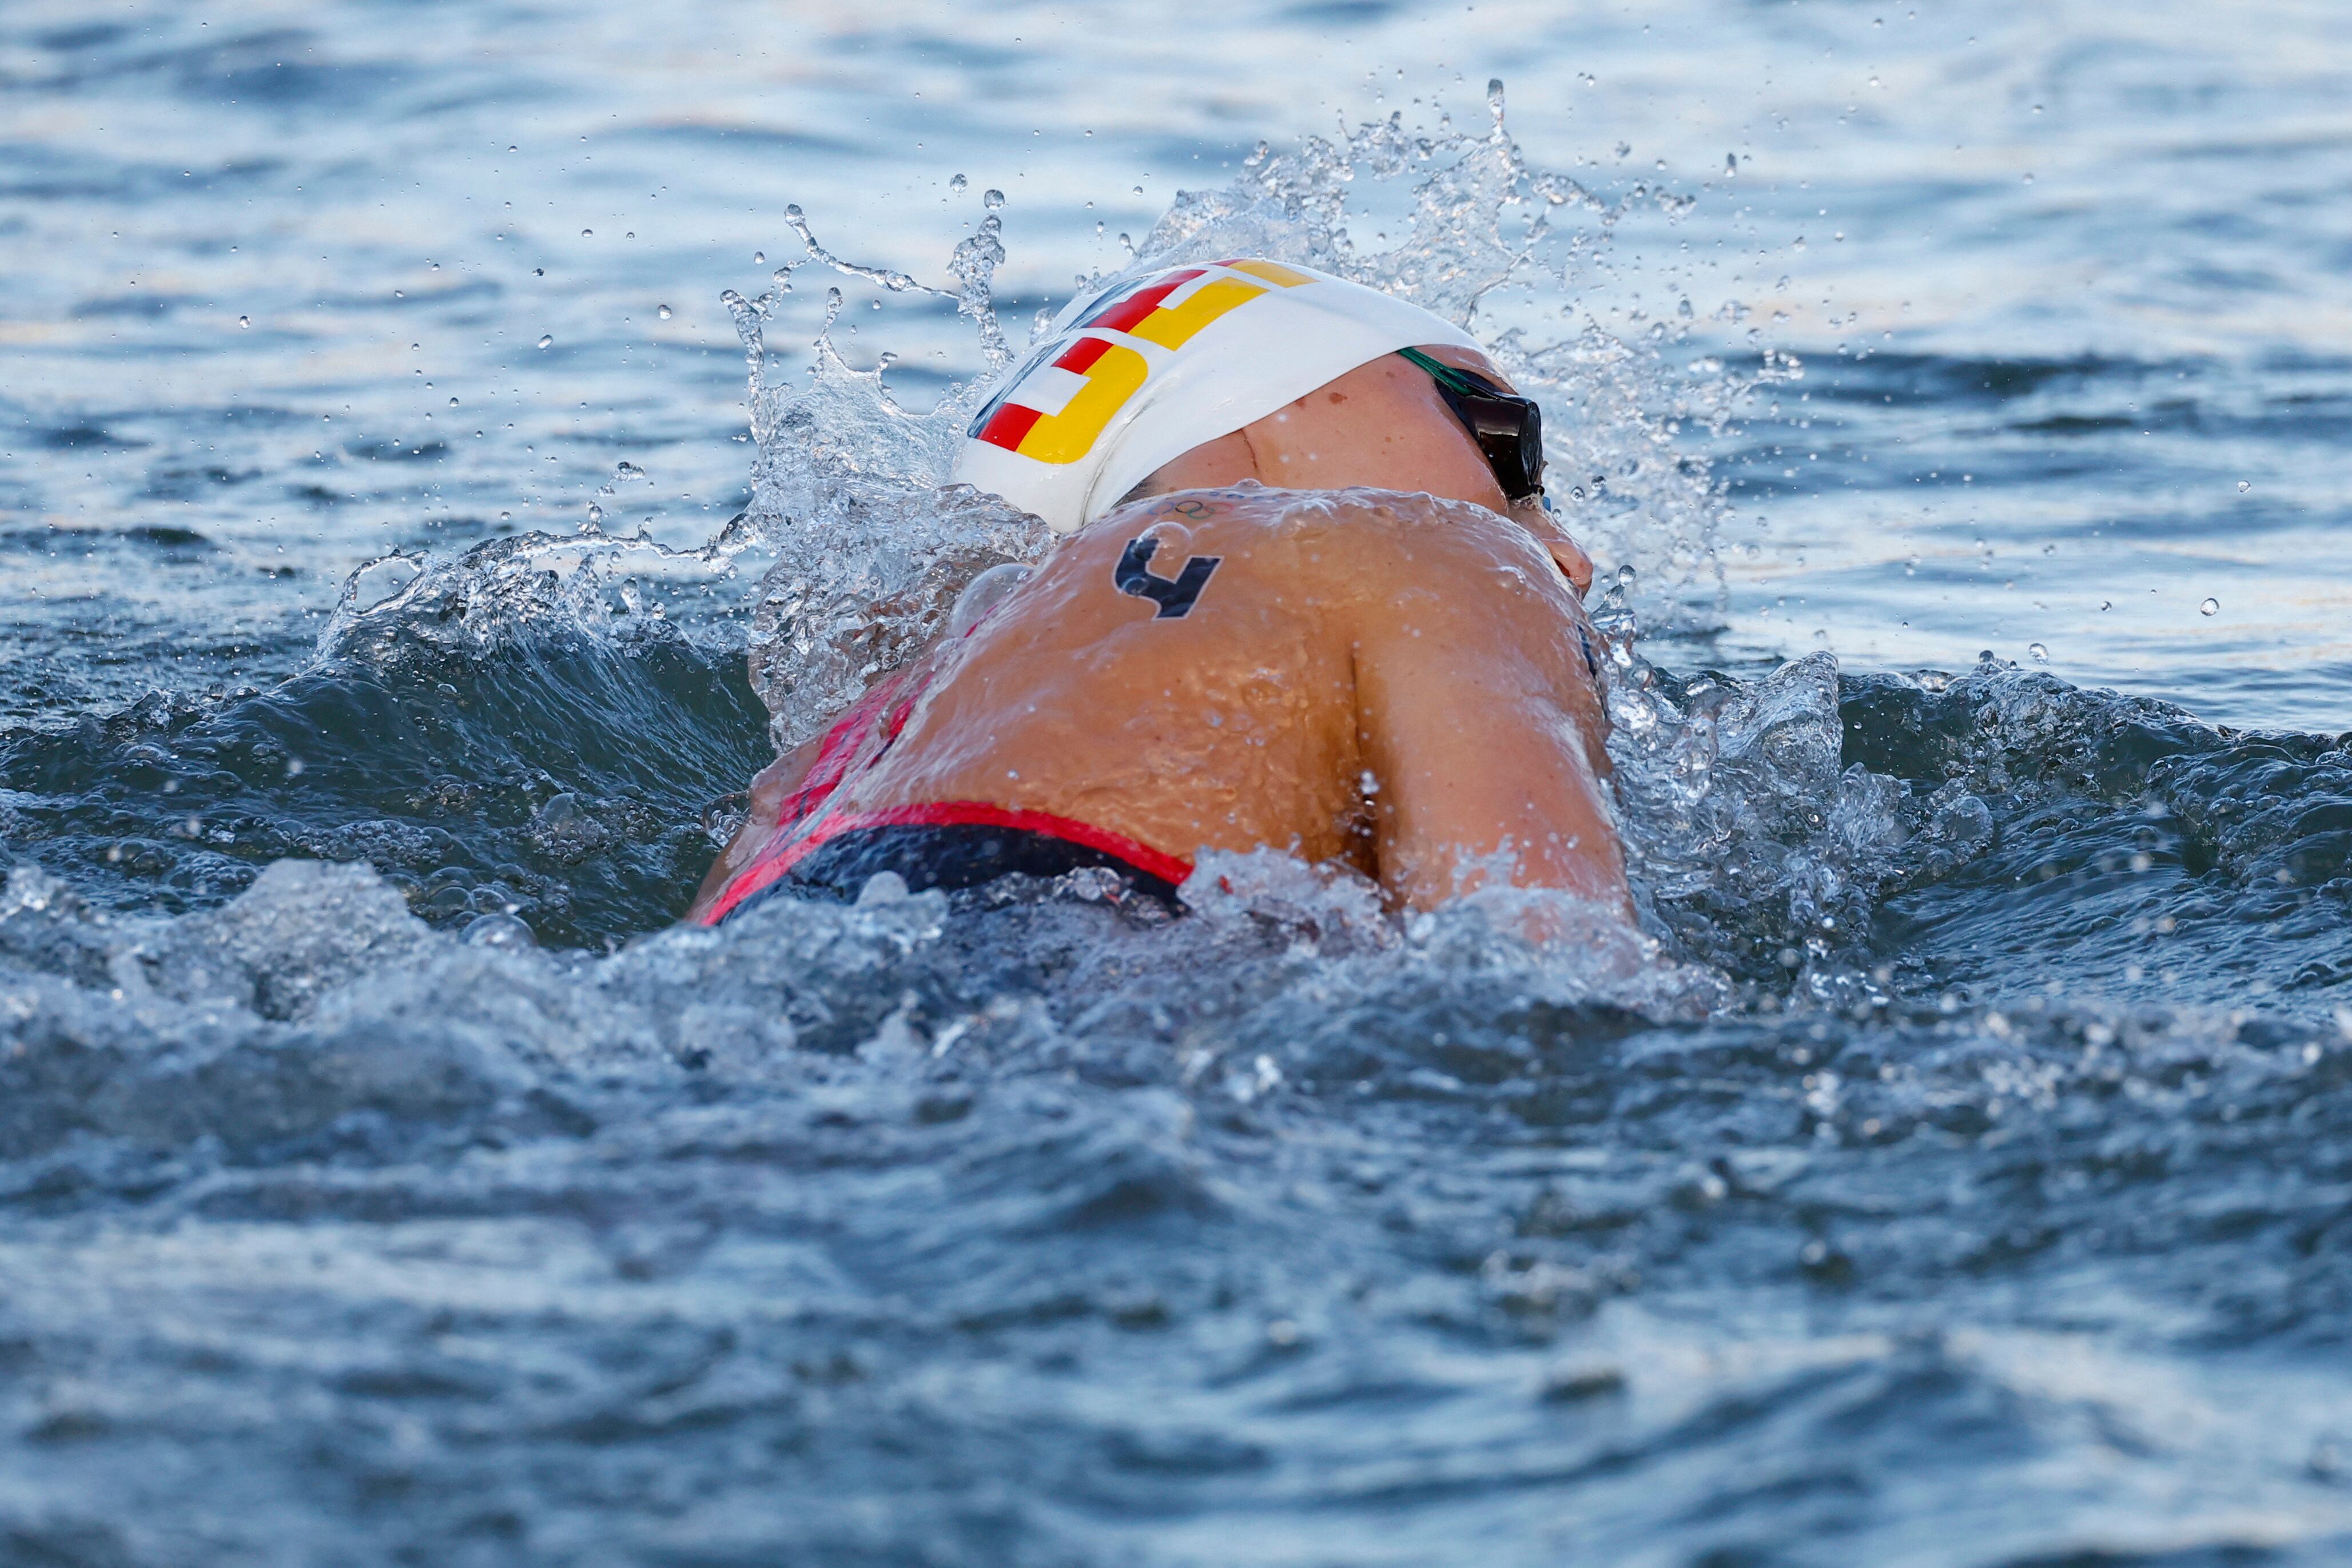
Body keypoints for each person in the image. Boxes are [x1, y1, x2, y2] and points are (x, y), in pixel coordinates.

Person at [687, 257, 1629, 934]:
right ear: (1267, 413)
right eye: (1506, 441)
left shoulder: (870, 725)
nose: (1563, 549)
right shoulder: (1426, 552)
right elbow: (1553, 987)